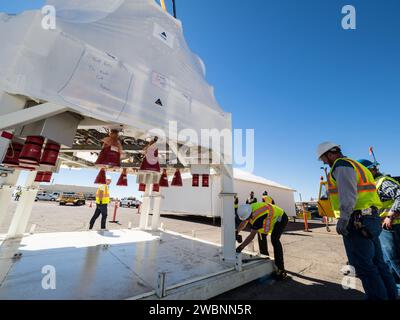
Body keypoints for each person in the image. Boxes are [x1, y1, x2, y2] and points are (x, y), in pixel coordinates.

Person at [316, 142, 397, 299]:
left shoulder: (340, 165)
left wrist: (343, 219)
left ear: (330, 154)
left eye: (323, 159)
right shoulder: (356, 165)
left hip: (357, 220)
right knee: (379, 264)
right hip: (369, 218)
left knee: (365, 267)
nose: (324, 162)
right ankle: (391, 296)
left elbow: (348, 194)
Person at [358, 159, 400, 289]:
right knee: (387, 260)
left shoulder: (383, 182)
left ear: (370, 170)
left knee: (394, 259)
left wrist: (390, 215)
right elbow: (375, 207)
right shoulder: (373, 184)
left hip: (392, 225)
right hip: (383, 226)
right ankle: (395, 288)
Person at [236, 202, 289, 280]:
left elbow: (251, 236)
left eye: (247, 218)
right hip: (269, 220)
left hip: (280, 218)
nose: (247, 220)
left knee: (275, 240)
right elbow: (244, 222)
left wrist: (241, 247)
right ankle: (265, 259)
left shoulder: (258, 217)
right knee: (261, 236)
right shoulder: (250, 208)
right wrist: (236, 232)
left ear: (250, 214)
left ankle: (281, 270)